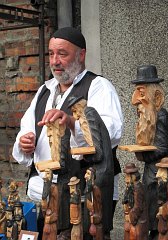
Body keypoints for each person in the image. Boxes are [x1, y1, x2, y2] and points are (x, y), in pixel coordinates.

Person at [12, 27, 123, 239]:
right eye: (51, 54)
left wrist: (73, 123)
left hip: (85, 191)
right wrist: (25, 142)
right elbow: (26, 127)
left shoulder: (98, 86)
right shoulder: (45, 90)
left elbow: (112, 130)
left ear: (81, 55)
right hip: (44, 190)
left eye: (62, 54)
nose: (55, 61)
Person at [131, 65, 168, 240]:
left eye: (141, 92)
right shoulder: (148, 114)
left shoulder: (161, 115)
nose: (136, 100)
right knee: (147, 205)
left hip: (159, 172)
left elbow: (163, 148)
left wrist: (144, 154)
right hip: (150, 170)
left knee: (157, 207)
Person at [68, 95, 114, 239]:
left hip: (103, 169)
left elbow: (98, 153)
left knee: (99, 210)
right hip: (100, 168)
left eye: (75, 111)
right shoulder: (86, 117)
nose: (75, 117)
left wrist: (84, 155)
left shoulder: (89, 114)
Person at [122, 163, 148, 240]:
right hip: (131, 219)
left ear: (133, 176)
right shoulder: (130, 187)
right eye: (125, 176)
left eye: (127, 176)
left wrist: (130, 217)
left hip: (138, 221)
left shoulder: (137, 188)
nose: (126, 179)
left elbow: (138, 207)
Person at [84, 167, 103, 240]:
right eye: (86, 173)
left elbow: (98, 206)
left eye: (88, 174)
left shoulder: (95, 189)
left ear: (93, 176)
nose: (85, 176)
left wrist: (95, 216)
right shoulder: (87, 189)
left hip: (95, 219)